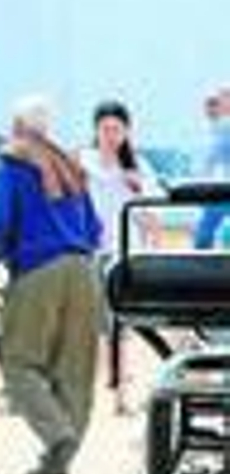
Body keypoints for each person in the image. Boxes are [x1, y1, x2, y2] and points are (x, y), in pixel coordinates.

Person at [0, 94, 102, 474]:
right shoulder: (69, 163)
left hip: (38, 268)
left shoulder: (11, 162)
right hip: (84, 269)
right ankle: (60, 460)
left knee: (18, 360)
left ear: (15, 124)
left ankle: (56, 435)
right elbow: (95, 229)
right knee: (76, 370)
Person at [80, 99, 159, 414]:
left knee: (122, 324)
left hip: (127, 253)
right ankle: (109, 383)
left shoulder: (137, 166)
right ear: (95, 131)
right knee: (98, 325)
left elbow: (149, 213)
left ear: (127, 132)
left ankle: (120, 394)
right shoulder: (83, 162)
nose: (111, 135)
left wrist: (138, 187)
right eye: (105, 129)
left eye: (117, 129)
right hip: (90, 250)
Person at [192, 87, 230, 249]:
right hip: (217, 193)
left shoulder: (224, 129)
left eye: (215, 103)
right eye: (209, 104)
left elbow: (209, 163)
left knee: (203, 238)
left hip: (221, 193)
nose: (210, 108)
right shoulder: (217, 130)